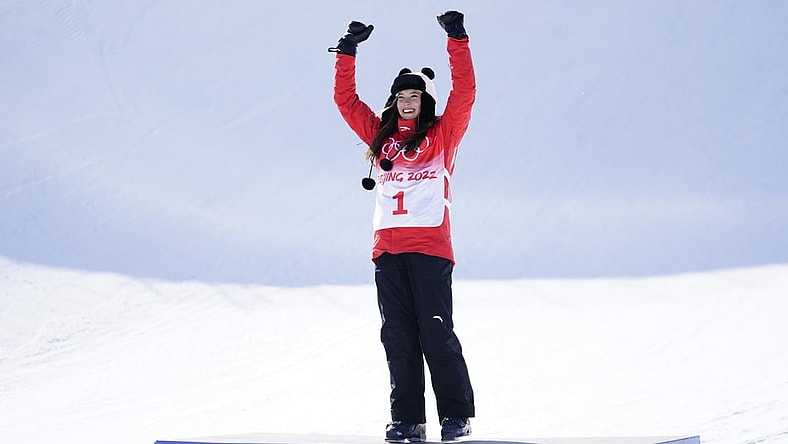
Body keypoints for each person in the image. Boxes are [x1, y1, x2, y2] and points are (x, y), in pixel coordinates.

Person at [329, 11, 476, 443]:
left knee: (435, 331)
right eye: (402, 95)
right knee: (397, 336)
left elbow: (465, 92)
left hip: (430, 248)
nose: (408, 101)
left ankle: (456, 416)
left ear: (424, 100)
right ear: (394, 102)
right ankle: (407, 419)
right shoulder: (380, 137)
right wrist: (347, 52)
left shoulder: (443, 134)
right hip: (387, 251)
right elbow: (346, 101)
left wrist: (457, 40)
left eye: (415, 94)